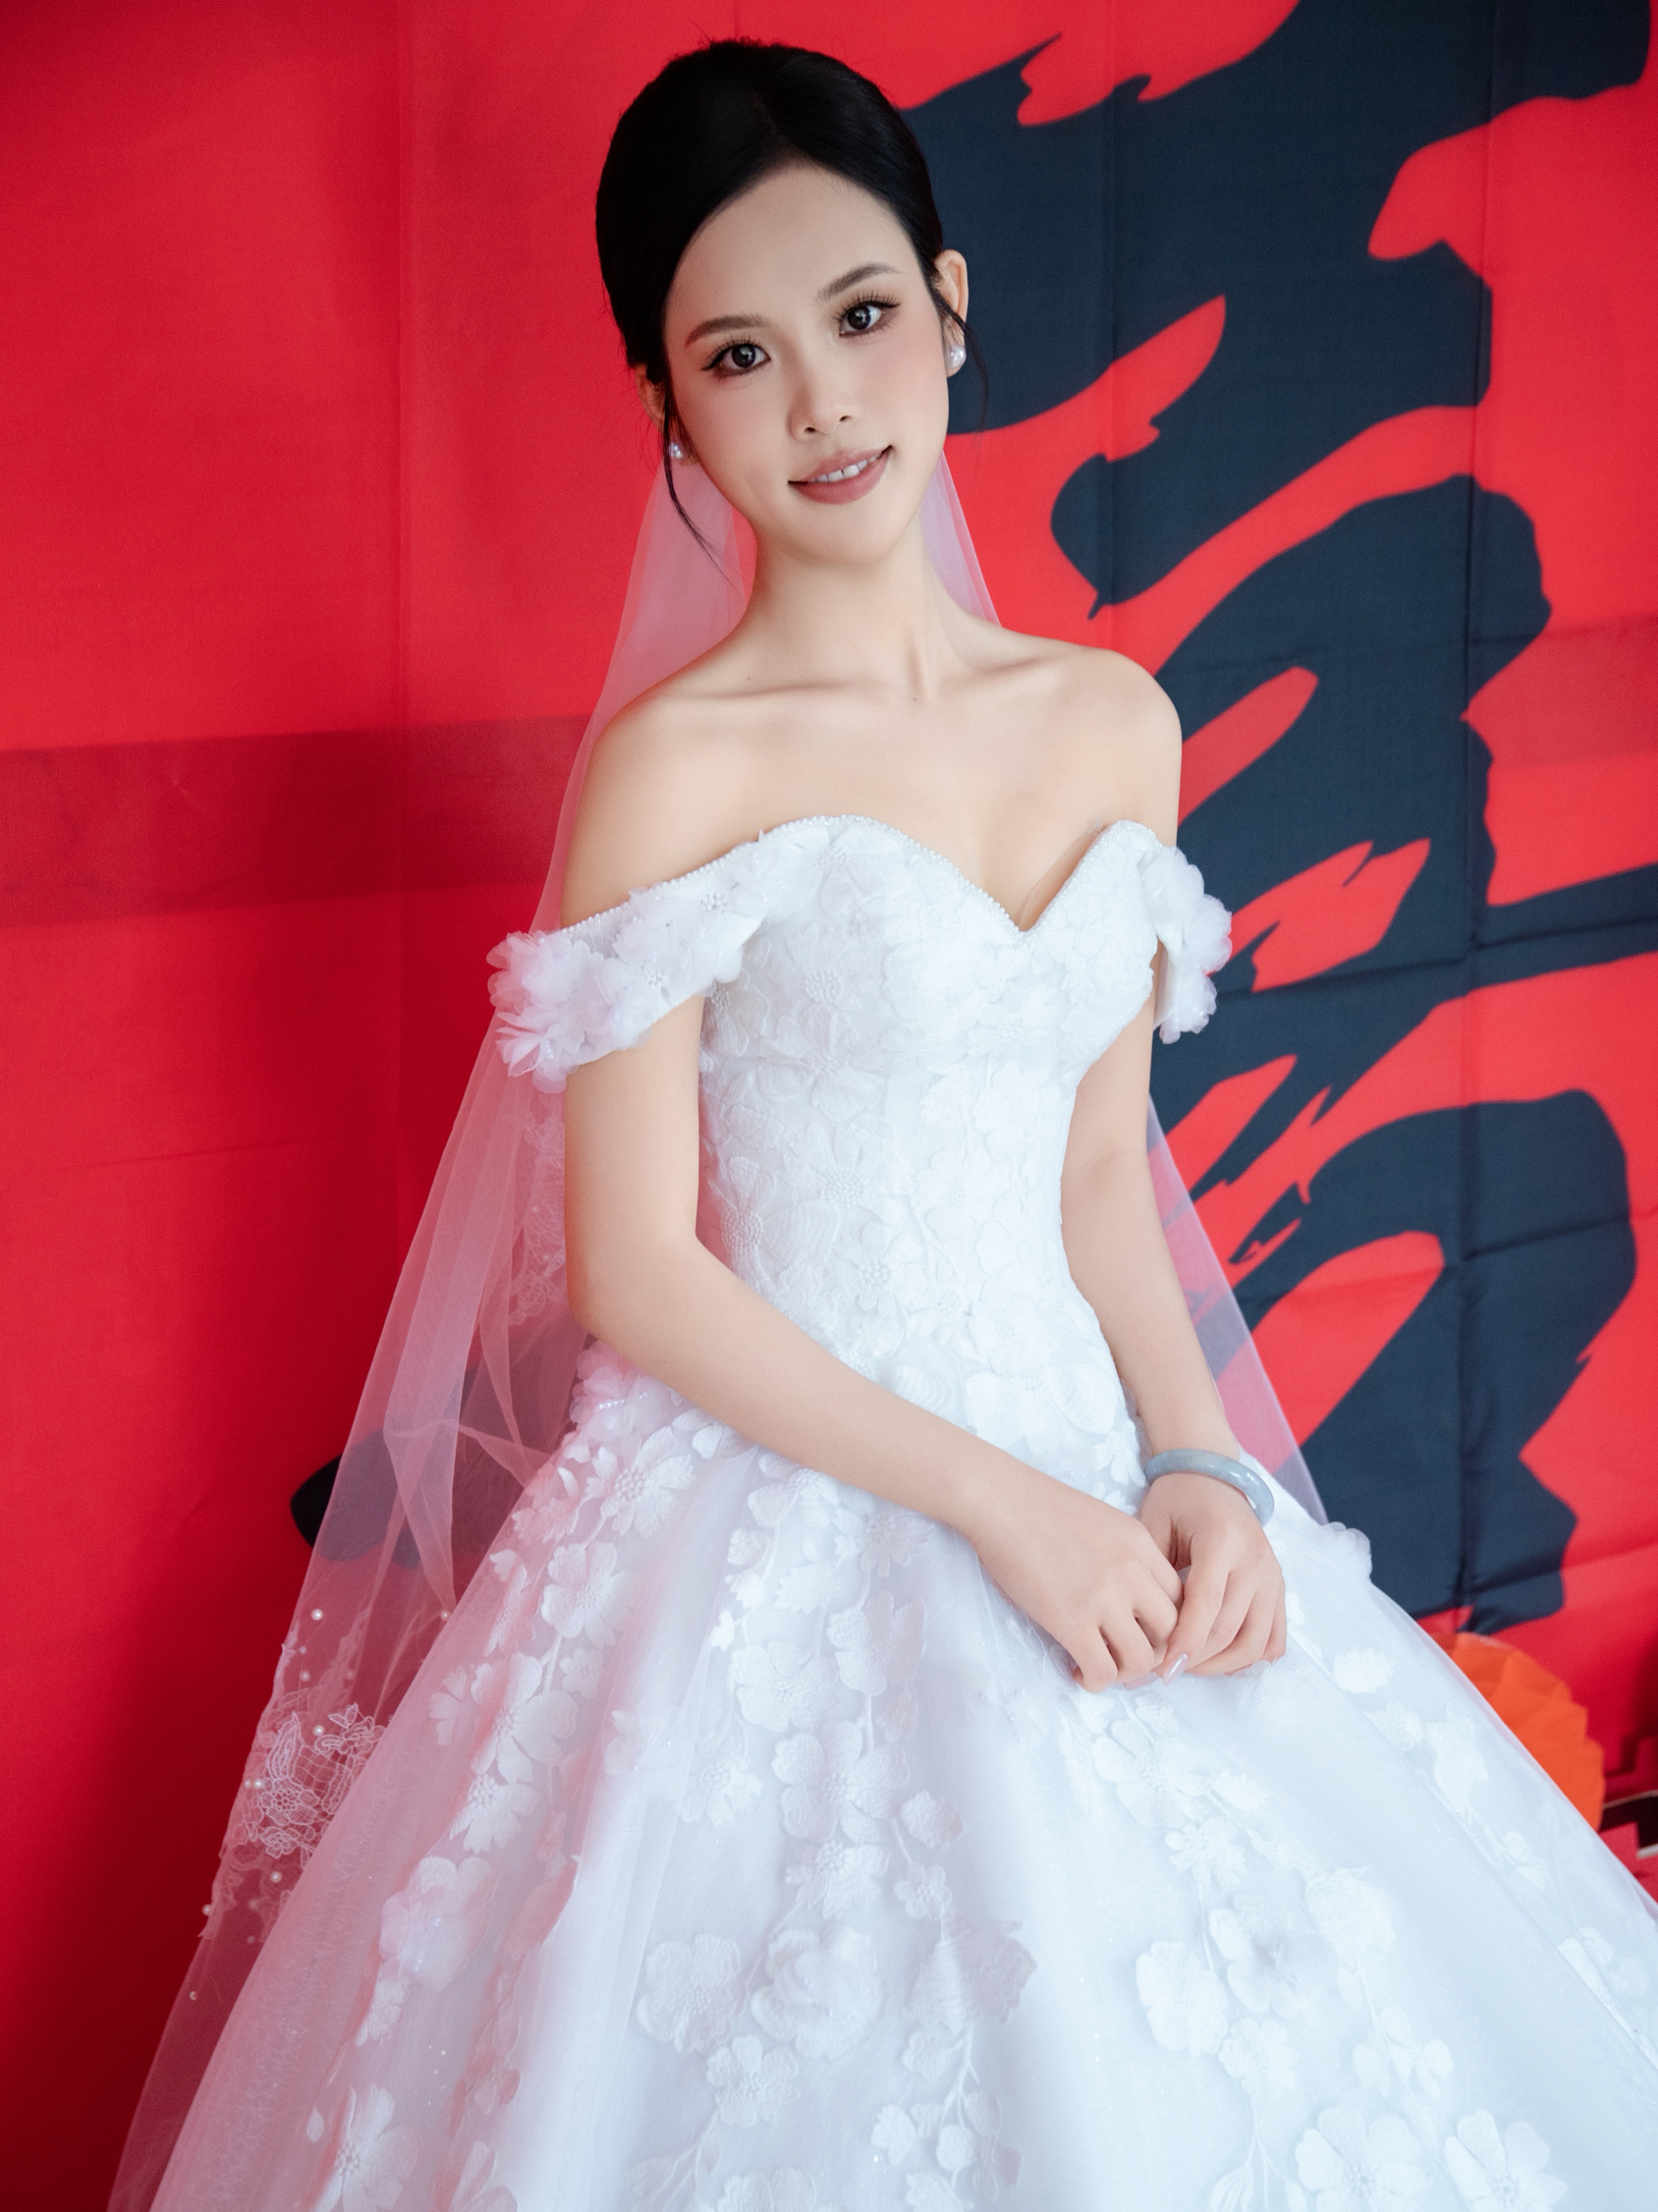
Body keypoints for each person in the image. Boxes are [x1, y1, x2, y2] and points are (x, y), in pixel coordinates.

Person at [121, 41, 1658, 2212]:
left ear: (946, 306)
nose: (823, 404)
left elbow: (1098, 1182)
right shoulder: (680, 764)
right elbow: (639, 1270)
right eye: (738, 357)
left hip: (1097, 1464)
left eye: (856, 316)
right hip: (775, 1489)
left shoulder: (1111, 719)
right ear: (670, 409)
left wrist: (1198, 1467)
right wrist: (1008, 1511)